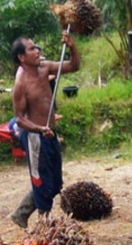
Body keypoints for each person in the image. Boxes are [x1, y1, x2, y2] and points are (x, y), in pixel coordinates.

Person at [9, 30, 80, 228]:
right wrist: (40, 129)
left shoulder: (45, 67)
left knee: (56, 182)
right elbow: (19, 119)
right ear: (22, 57)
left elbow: (74, 66)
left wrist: (72, 46)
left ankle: (21, 213)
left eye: (36, 46)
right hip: (34, 137)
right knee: (42, 180)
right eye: (32, 49)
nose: (37, 50)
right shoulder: (21, 84)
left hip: (49, 133)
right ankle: (44, 224)